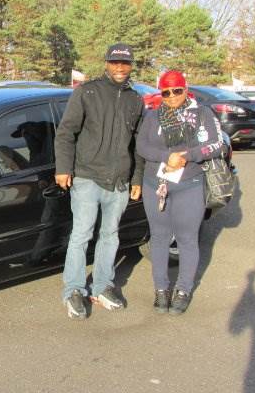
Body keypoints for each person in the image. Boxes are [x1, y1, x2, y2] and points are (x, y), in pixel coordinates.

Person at [55, 43, 144, 320]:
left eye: (125, 63)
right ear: (106, 63)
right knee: (81, 235)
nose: (120, 68)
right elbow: (66, 132)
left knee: (110, 235)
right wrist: (63, 168)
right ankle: (74, 290)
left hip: (119, 181)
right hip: (87, 177)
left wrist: (137, 177)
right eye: (115, 62)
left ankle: (103, 286)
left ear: (131, 65)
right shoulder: (87, 92)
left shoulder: (135, 100)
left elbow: (139, 143)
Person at [136, 70, 223, 315]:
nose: (172, 96)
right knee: (159, 237)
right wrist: (167, 156)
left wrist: (187, 157)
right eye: (166, 92)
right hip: (157, 184)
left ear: (186, 90)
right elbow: (142, 146)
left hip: (189, 184)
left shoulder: (202, 113)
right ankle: (161, 289)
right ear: (161, 94)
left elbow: (216, 145)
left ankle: (183, 289)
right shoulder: (153, 116)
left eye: (177, 90)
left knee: (186, 239)